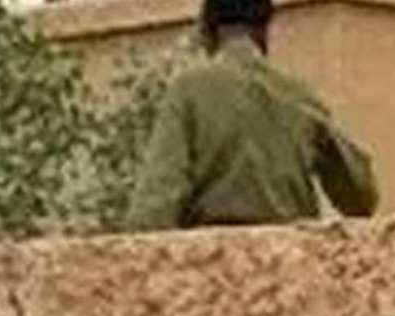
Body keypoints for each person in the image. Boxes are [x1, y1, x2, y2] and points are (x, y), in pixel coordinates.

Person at [122, 0, 380, 230]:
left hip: (212, 261)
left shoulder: (188, 90)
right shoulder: (299, 96)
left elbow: (152, 210)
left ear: (206, 32)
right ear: (264, 30)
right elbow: (361, 198)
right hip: (291, 259)